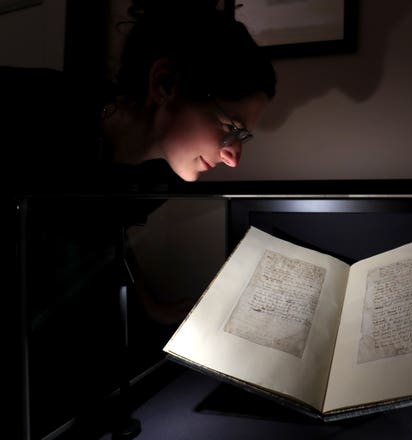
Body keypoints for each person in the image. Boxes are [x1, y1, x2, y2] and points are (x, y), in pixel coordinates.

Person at [7, 1, 276, 437]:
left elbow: (107, 253)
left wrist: (187, 311)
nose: (232, 156)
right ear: (164, 83)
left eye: (241, 135)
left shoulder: (158, 178)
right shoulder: (35, 112)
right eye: (229, 126)